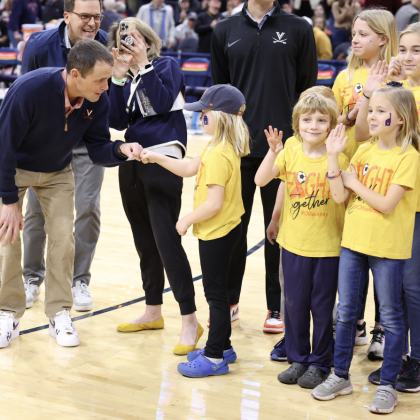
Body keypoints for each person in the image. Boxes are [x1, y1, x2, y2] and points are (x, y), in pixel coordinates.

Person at [0, 39, 143, 349]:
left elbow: (98, 149)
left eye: (109, 79)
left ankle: (59, 314)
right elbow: (3, 147)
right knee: (8, 236)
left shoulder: (97, 99)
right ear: (75, 74)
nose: (107, 87)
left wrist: (121, 149)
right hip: (15, 168)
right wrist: (9, 200)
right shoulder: (29, 90)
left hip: (56, 173)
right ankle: (7, 313)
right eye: (101, 80)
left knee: (64, 237)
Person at [312, 84, 420, 414]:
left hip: (388, 248)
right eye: (370, 110)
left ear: (400, 119)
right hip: (353, 243)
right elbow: (340, 196)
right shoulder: (364, 151)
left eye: (380, 112)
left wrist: (354, 182)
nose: (371, 116)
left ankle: (388, 385)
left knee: (390, 316)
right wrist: (332, 158)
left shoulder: (409, 157)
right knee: (346, 313)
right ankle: (341, 376)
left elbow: (387, 204)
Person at [211, 0, 318, 333]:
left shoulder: (300, 28)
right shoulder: (223, 30)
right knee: (233, 229)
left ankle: (277, 308)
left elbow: (307, 92)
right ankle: (229, 301)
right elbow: (221, 94)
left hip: (284, 151)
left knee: (278, 232)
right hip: (238, 150)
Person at [141, 84, 250, 378]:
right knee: (221, 293)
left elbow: (214, 203)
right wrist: (158, 157)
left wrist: (186, 219)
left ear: (223, 116)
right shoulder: (219, 146)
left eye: (205, 112)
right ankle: (223, 347)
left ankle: (214, 357)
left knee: (215, 296)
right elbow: (190, 168)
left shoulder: (218, 154)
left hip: (217, 232)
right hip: (227, 229)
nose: (200, 116)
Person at [108, 17, 201, 355]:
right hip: (132, 161)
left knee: (166, 240)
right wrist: (117, 77)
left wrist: (144, 65)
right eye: (121, 40)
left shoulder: (167, 66)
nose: (127, 45)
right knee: (144, 241)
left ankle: (190, 319)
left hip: (163, 159)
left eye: (132, 37)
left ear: (147, 41)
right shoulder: (125, 76)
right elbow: (116, 121)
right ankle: (152, 310)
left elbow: (160, 103)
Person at [21, 0, 109, 313]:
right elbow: (25, 92)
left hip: (87, 142)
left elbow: (114, 96)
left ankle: (78, 280)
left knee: (88, 209)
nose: (92, 23)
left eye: (97, 16)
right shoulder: (38, 45)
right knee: (36, 211)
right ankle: (31, 277)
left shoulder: (107, 46)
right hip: (45, 142)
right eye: (85, 16)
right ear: (66, 15)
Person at [255, 93, 347, 388]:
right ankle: (297, 358)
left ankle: (320, 362)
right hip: (293, 245)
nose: (314, 125)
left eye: (321, 120)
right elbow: (261, 180)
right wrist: (272, 151)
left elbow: (338, 196)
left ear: (332, 125)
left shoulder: (340, 158)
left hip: (327, 247)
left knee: (321, 307)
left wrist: (333, 155)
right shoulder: (290, 151)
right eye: (307, 119)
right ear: (297, 123)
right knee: (293, 304)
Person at [355, 22, 420, 392]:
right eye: (405, 49)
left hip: (412, 200)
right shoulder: (398, 90)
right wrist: (386, 90)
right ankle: (400, 359)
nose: (408, 57)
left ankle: (416, 359)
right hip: (396, 203)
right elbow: (365, 133)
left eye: (417, 50)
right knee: (397, 291)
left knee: (412, 288)